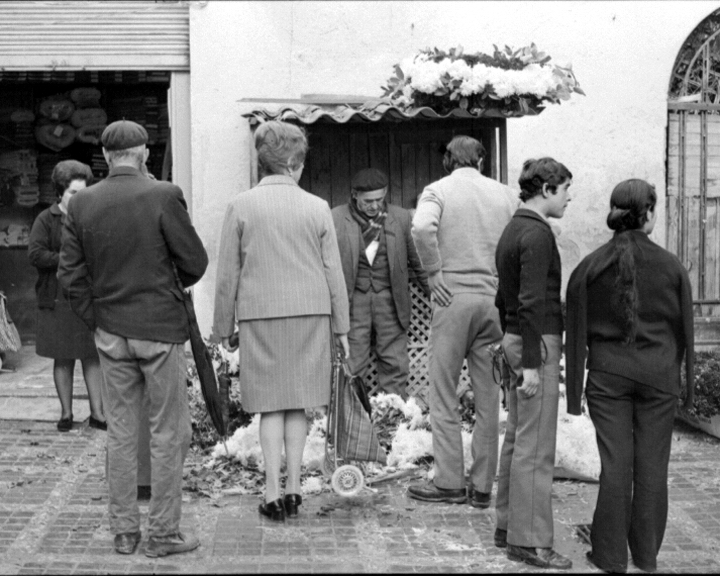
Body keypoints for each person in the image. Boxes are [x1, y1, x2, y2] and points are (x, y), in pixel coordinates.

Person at [58, 120, 208, 558]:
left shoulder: (82, 203)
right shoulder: (164, 194)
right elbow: (195, 263)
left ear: (104, 157)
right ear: (144, 153)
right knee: (168, 433)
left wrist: (97, 319)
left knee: (120, 433)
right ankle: (163, 534)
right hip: (160, 331)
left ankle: (124, 532)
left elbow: (71, 275)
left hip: (111, 332)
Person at [213, 120, 350, 522]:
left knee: (270, 407)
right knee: (299, 406)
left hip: (261, 316)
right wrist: (341, 327)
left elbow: (228, 274)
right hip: (310, 314)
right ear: (292, 163)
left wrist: (223, 327)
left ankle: (271, 493)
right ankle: (294, 491)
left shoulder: (241, 205)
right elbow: (333, 272)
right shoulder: (317, 206)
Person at [566, 179, 694, 574]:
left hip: (608, 378)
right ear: (649, 214)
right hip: (658, 377)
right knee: (653, 466)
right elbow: (686, 329)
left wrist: (573, 395)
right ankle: (646, 556)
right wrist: (685, 389)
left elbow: (576, 333)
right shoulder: (672, 266)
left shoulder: (589, 266)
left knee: (615, 465)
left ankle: (609, 557)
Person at [408, 135, 517, 508]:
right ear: (482, 162)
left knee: (443, 393)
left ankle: (450, 481)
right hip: (493, 300)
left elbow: (421, 229)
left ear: (447, 162)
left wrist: (434, 273)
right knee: (489, 398)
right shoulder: (505, 194)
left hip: (451, 298)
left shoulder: (437, 190)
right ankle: (483, 486)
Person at [494, 157, 573, 570]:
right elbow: (529, 301)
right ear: (546, 189)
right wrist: (529, 363)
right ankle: (529, 542)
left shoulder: (512, 228)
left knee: (517, 439)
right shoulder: (539, 234)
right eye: (564, 190)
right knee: (536, 446)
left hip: (516, 338)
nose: (568, 198)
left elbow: (502, 298)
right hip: (535, 342)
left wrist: (512, 345)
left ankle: (507, 527)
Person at [331, 168, 428, 398]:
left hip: (390, 301)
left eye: (379, 199)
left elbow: (417, 261)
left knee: (395, 362)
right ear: (354, 195)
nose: (375, 206)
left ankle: (392, 419)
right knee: (351, 361)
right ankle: (352, 417)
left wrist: (435, 293)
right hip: (354, 302)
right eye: (368, 201)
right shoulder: (335, 218)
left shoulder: (401, 218)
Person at [28, 160, 106, 432]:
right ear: (60, 193)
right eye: (74, 192)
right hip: (57, 298)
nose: (79, 198)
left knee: (91, 355)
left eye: (83, 192)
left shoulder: (91, 217)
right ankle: (66, 414)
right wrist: (68, 258)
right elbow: (35, 254)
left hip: (85, 297)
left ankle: (98, 414)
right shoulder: (46, 220)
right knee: (63, 357)